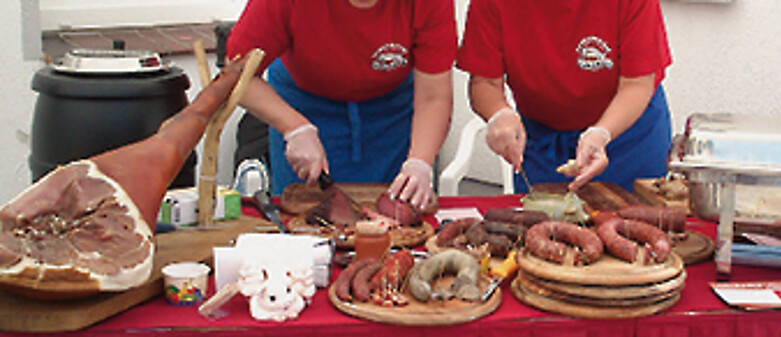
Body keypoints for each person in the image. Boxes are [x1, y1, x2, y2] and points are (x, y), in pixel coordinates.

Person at [226, 0, 457, 210]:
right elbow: (236, 75)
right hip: (302, 104)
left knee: (397, 218)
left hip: (392, 117)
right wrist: (293, 127)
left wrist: (420, 161)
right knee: (303, 218)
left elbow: (433, 96)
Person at [456, 0, 672, 193]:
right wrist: (498, 113)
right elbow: (484, 82)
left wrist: (602, 133)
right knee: (541, 228)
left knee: (640, 227)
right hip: (542, 141)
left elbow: (636, 85)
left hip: (629, 137)